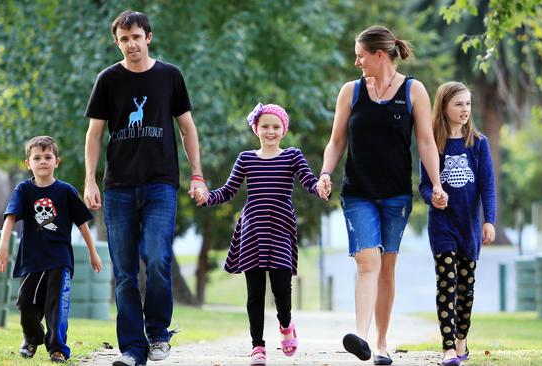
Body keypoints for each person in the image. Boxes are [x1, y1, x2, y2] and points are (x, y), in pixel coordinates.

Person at [318, 25, 447, 364]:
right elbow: (336, 141)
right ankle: (359, 336)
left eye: (361, 56)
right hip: (357, 191)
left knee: (387, 267)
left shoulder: (414, 90)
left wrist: (436, 183)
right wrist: (325, 173)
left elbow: (425, 142)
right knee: (367, 262)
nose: (357, 62)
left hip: (395, 195)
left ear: (379, 55)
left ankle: (381, 343)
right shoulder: (351, 91)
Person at [83, 9, 206, 366]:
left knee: (156, 258)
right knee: (123, 272)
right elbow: (94, 135)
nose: (131, 44)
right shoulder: (107, 80)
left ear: (148, 37)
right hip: (118, 187)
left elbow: (187, 128)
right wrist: (90, 180)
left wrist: (197, 174)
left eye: (137, 37)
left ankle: (158, 335)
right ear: (117, 42)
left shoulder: (170, 76)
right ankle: (132, 350)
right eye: (124, 39)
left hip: (160, 184)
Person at [194, 103, 326, 365]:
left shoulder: (292, 156)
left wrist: (321, 186)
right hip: (252, 230)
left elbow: (309, 182)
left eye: (276, 127)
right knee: (254, 293)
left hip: (280, 229)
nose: (270, 131)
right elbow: (228, 191)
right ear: (256, 129)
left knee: (281, 289)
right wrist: (207, 196)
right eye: (265, 126)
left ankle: (286, 325)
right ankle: (257, 346)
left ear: (283, 130)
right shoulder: (246, 159)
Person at [0, 136, 102, 364]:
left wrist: (93, 252)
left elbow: (82, 224)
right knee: (24, 305)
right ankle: (32, 338)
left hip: (59, 259)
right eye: (37, 158)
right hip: (31, 258)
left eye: (48, 157)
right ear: (27, 163)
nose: (42, 161)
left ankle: (58, 349)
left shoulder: (66, 191)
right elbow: (10, 219)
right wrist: (3, 247)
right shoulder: (23, 190)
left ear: (56, 162)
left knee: (56, 306)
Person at [419, 81, 496, 366]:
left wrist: (489, 221)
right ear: (444, 106)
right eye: (458, 104)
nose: (465, 110)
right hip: (442, 226)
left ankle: (462, 341)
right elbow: (424, 186)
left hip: (469, 227)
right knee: (447, 284)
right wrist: (432, 198)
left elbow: (487, 186)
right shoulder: (432, 143)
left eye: (468, 104)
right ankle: (448, 348)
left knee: (466, 287)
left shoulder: (478, 144)